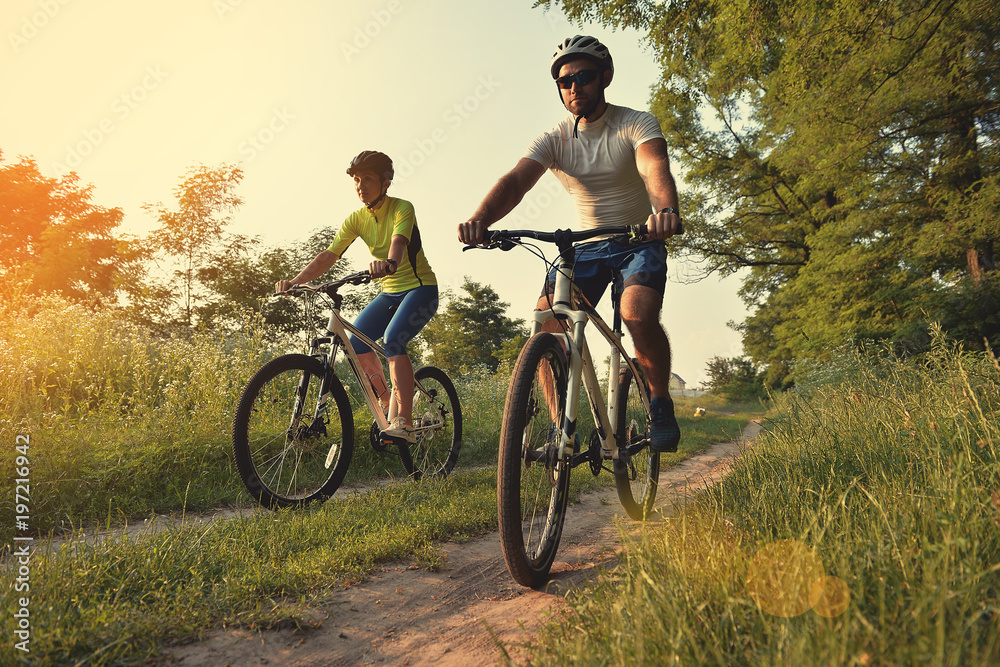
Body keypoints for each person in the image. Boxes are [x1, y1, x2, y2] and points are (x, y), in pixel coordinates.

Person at [457, 35, 683, 452]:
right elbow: (515, 183)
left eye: (583, 77)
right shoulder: (555, 139)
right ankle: (562, 425)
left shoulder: (635, 122)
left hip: (639, 239)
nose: (573, 86)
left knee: (635, 315)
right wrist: (480, 220)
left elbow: (654, 168)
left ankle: (661, 402)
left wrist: (665, 210)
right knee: (546, 322)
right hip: (586, 247)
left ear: (606, 77)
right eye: (564, 81)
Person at [277, 150, 438, 443]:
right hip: (389, 294)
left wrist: (388, 263)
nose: (361, 186)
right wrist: (295, 282)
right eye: (356, 180)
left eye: (368, 179)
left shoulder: (402, 208)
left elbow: (399, 243)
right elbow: (328, 255)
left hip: (420, 289)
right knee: (358, 345)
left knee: (393, 340)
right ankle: (391, 405)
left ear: (385, 182)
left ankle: (404, 420)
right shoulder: (356, 219)